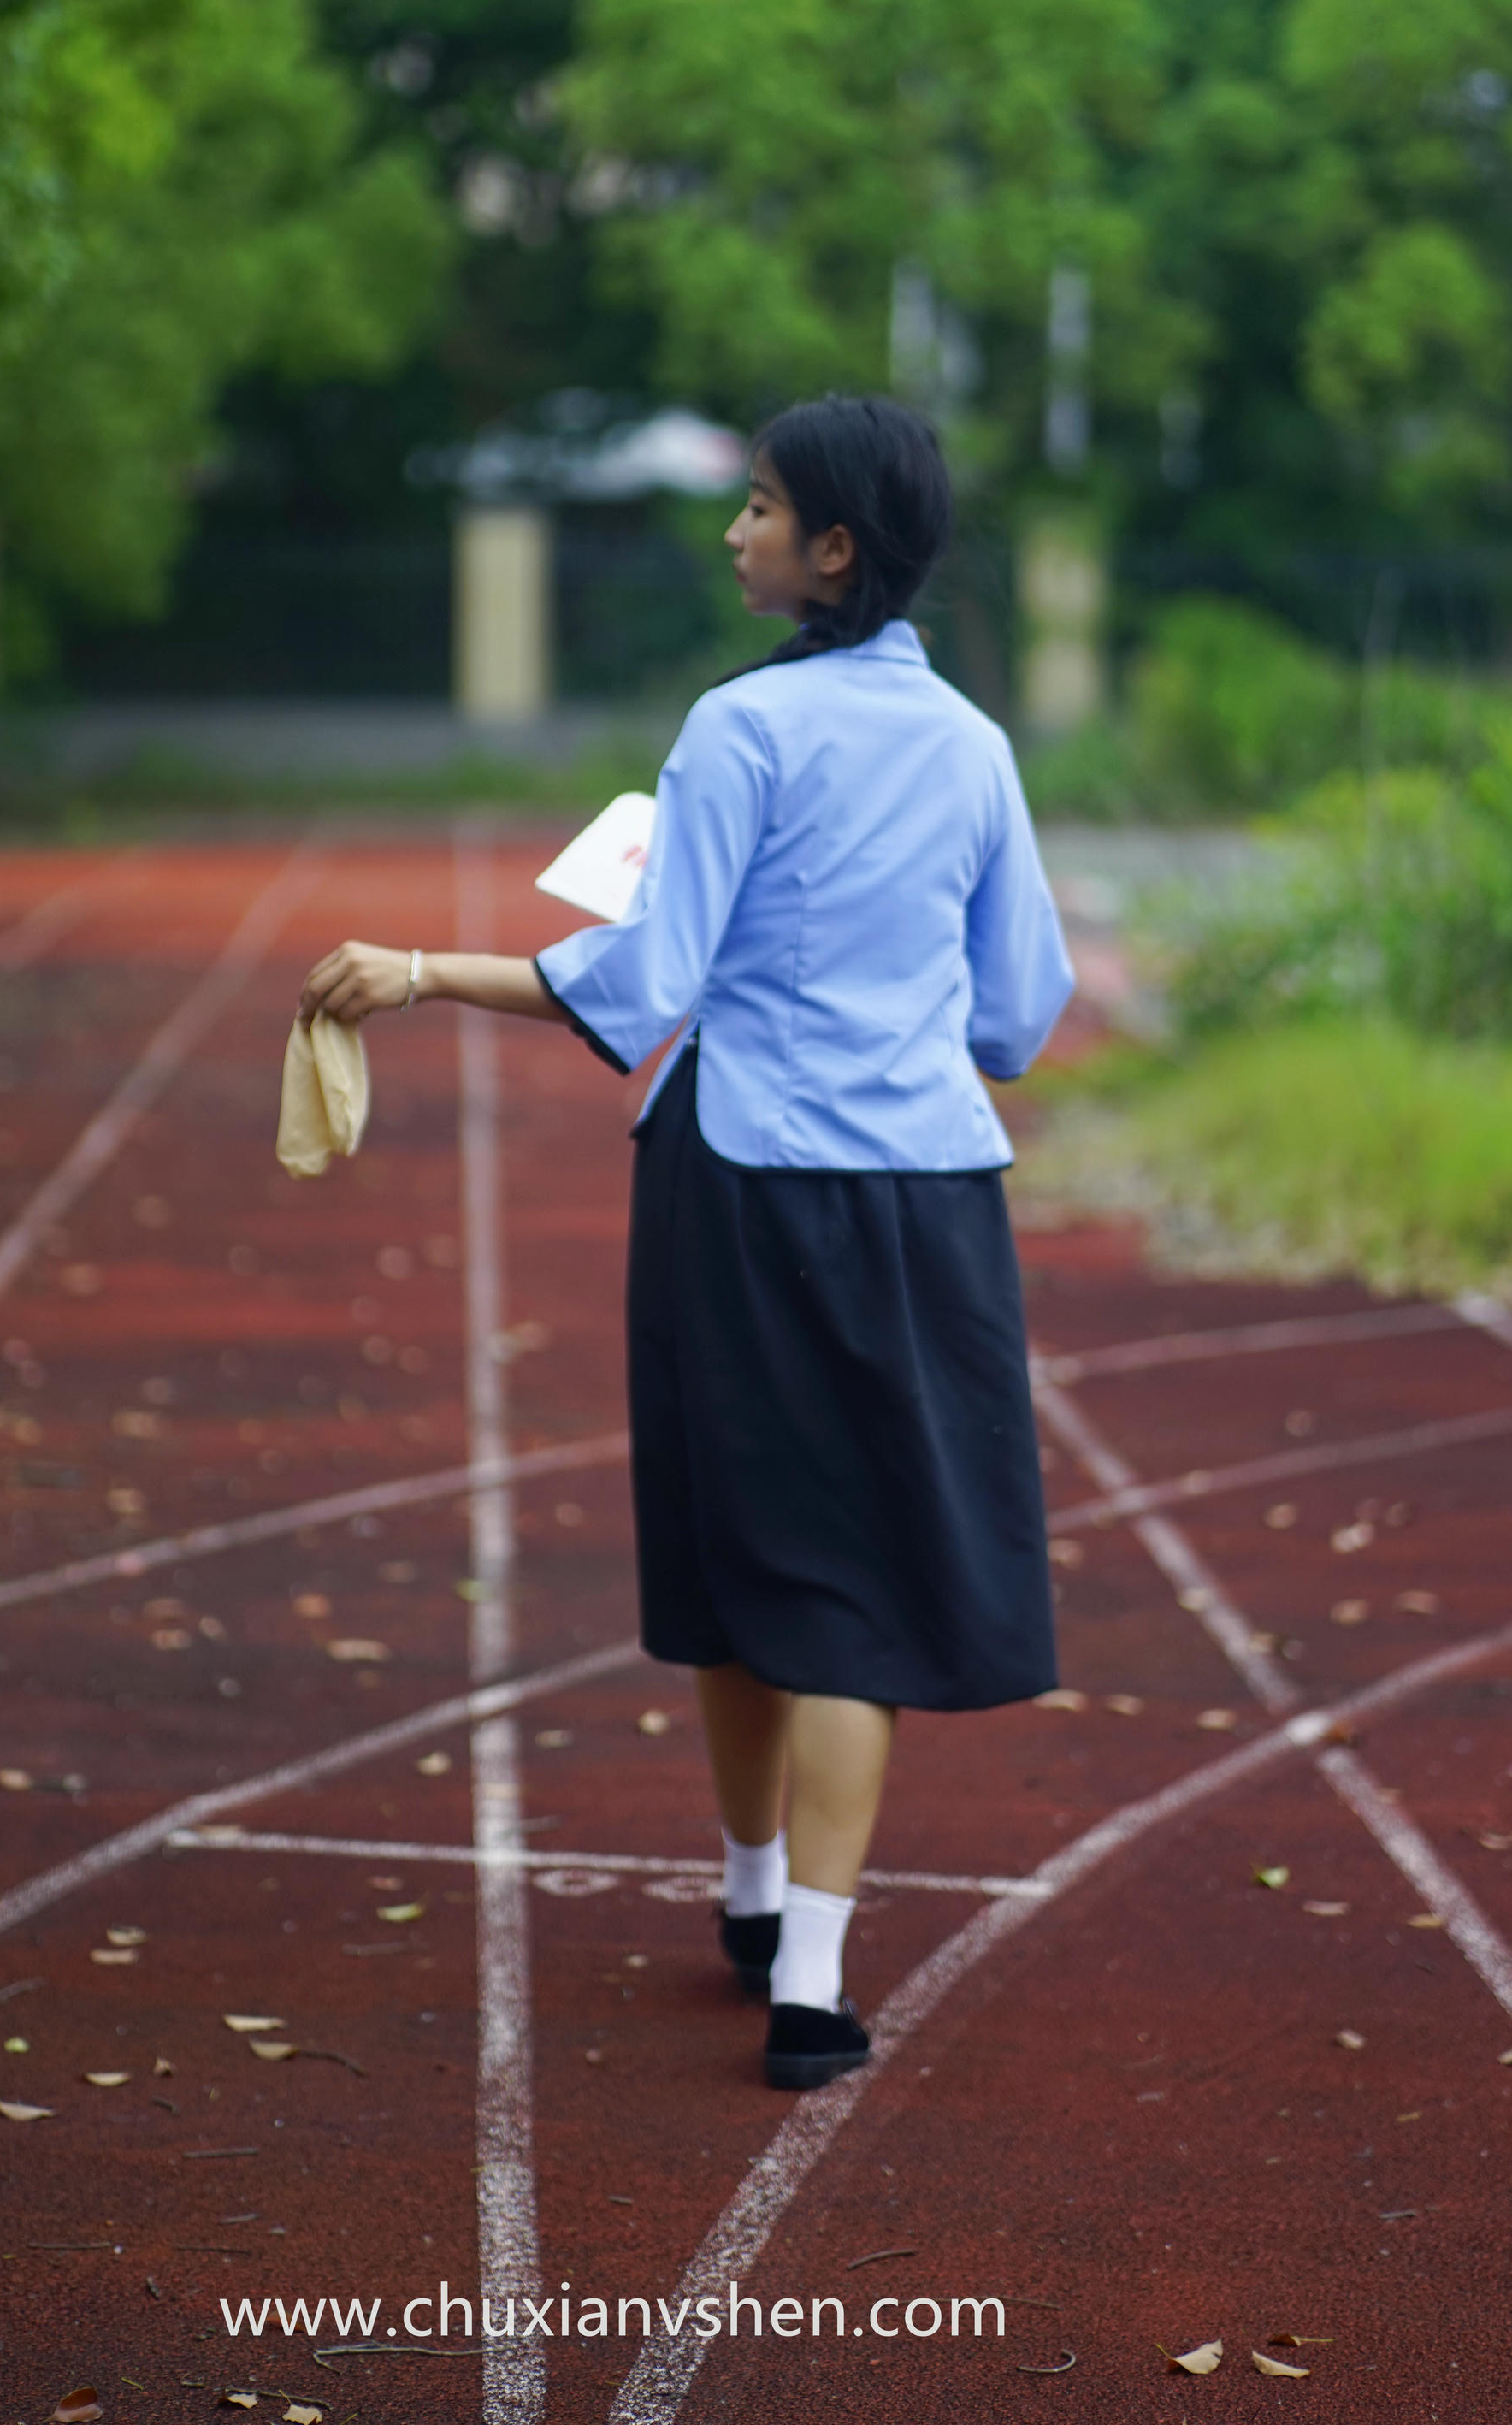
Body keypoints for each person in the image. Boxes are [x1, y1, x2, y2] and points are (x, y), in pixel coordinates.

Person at [299, 393, 1074, 2091]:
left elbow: (646, 985)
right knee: (862, 1584)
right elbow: (1020, 1014)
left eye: (759, 506)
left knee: (747, 1555)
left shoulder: (737, 729)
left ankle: (743, 1887)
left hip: (744, 1183)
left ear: (831, 550)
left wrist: (419, 971)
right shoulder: (976, 748)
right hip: (931, 1199)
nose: (734, 531)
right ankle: (810, 1973)